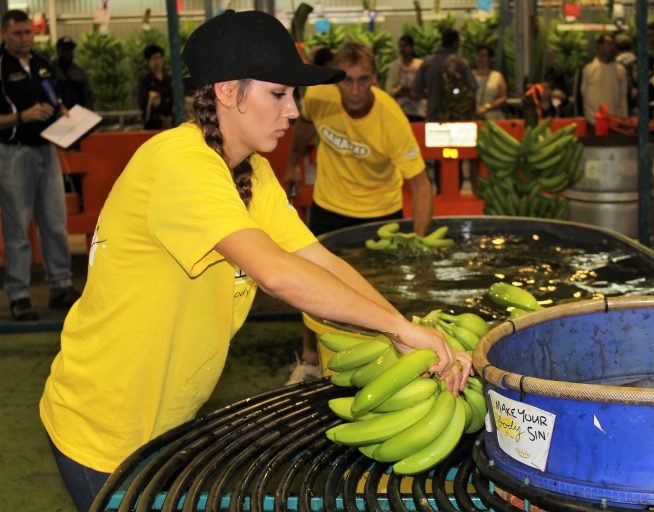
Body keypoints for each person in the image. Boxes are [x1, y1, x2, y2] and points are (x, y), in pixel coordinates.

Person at [39, 11, 470, 511]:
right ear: (227, 91)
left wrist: (406, 334)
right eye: (278, 94)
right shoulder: (180, 163)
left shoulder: (252, 173)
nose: (293, 111)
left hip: (164, 424)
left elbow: (320, 262)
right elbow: (278, 273)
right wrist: (397, 330)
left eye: (294, 96)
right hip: (103, 429)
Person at [283, 41, 435, 382]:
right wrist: (293, 163)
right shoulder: (320, 98)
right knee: (312, 284)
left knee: (379, 293)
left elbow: (421, 184)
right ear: (335, 79)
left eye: (363, 80)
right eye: (346, 80)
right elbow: (303, 128)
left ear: (376, 79)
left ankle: (381, 363)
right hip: (329, 206)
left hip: (379, 214)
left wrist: (419, 243)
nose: (354, 90)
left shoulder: (392, 119)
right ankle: (309, 359)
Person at [0, 9, 81, 322]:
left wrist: (65, 116)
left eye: (28, 33)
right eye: (18, 33)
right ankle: (19, 294)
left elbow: (56, 101)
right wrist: (22, 117)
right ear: (5, 34)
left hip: (47, 151)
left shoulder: (43, 64)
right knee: (18, 228)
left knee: (55, 222)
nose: (24, 39)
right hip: (13, 153)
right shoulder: (1, 67)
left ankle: (60, 285)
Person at [412, 28, 477, 122]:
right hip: (458, 119)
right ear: (455, 43)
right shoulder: (461, 63)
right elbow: (472, 91)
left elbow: (415, 92)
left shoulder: (428, 62)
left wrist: (432, 94)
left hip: (433, 118)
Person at [579, 33, 628, 126]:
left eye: (613, 44)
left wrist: (624, 120)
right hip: (593, 122)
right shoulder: (588, 69)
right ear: (599, 46)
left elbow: (623, 98)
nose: (612, 48)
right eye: (609, 44)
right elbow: (583, 94)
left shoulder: (620, 70)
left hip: (615, 122)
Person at [385, 34, 425, 122]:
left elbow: (425, 90)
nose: (402, 50)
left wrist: (408, 91)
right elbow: (389, 90)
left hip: (418, 112)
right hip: (400, 111)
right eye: (400, 47)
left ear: (412, 48)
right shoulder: (394, 66)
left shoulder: (420, 65)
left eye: (405, 46)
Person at [52, 36, 95, 110]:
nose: (67, 52)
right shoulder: (51, 70)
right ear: (58, 51)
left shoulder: (79, 72)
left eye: (70, 49)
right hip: (57, 115)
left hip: (77, 116)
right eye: (64, 49)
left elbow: (88, 96)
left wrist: (86, 111)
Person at [137, 44, 173, 130]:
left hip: (171, 124)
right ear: (148, 61)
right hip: (153, 126)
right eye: (154, 58)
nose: (157, 61)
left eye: (159, 57)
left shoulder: (169, 80)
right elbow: (143, 102)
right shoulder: (145, 81)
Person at [471, 44, 508, 121]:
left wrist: (487, 107)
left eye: (483, 56)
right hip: (473, 116)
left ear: (489, 58)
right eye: (478, 55)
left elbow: (503, 97)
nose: (480, 59)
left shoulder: (497, 76)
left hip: (492, 116)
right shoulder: (470, 75)